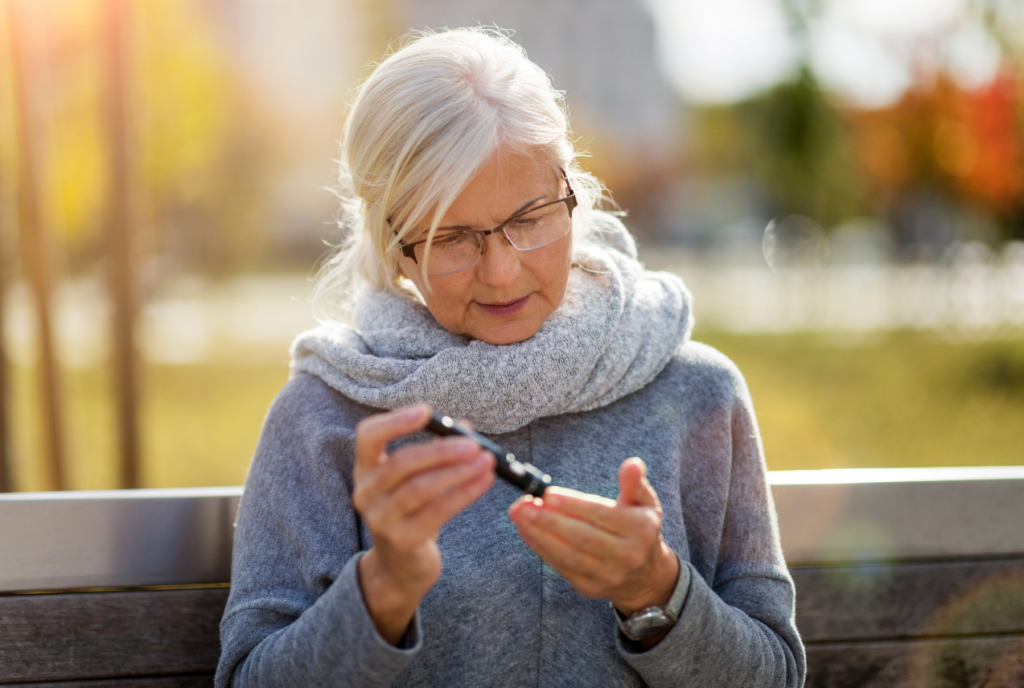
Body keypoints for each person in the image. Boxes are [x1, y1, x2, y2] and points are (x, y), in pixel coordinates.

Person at [216, 27, 805, 688]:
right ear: (393, 246)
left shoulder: (700, 395)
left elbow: (775, 676)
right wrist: (381, 592)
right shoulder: (324, 419)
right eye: (451, 238)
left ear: (572, 192)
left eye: (529, 219)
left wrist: (657, 592)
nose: (500, 273)